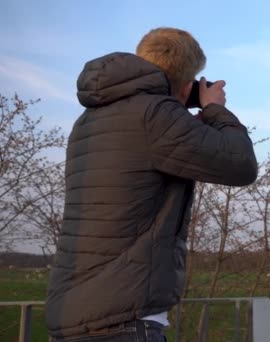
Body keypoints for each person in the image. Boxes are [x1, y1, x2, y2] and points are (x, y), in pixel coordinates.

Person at [46, 27, 258, 341]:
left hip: (76, 315)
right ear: (188, 85)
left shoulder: (90, 119)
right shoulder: (156, 117)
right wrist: (214, 109)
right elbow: (241, 165)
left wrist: (183, 113)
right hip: (122, 320)